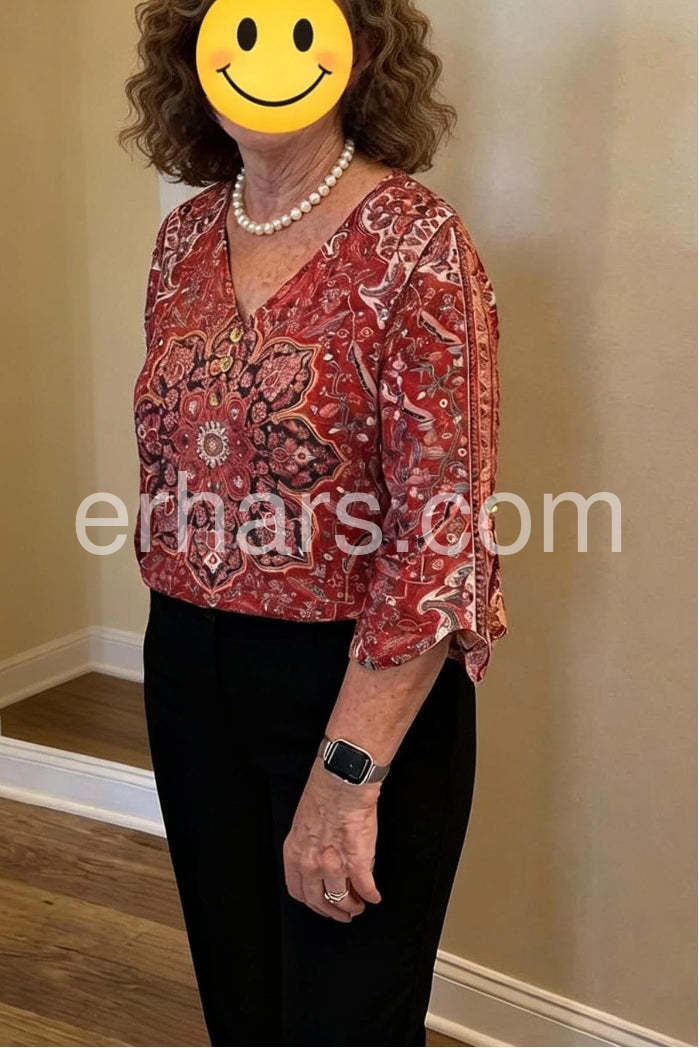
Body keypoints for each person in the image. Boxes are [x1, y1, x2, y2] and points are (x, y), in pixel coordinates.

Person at [123, 0, 507, 1043]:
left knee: (348, 1020)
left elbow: (440, 542)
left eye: (297, 28)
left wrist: (345, 778)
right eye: (237, 32)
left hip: (351, 686)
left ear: (362, 51)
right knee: (240, 1001)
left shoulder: (418, 245)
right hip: (188, 668)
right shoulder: (182, 239)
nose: (263, 59)